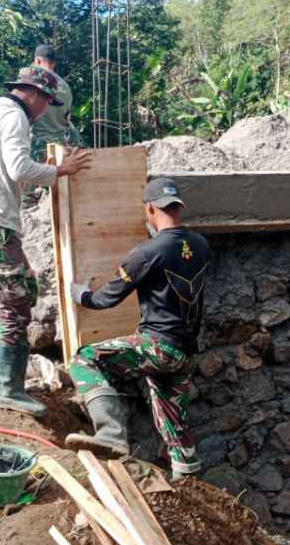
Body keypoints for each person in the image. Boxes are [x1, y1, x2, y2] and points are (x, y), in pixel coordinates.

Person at [0, 66, 92, 415]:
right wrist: (61, 170)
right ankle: (10, 389)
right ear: (33, 94)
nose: (45, 109)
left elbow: (12, 166)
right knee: (17, 301)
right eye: (46, 101)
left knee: (21, 290)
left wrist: (44, 166)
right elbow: (19, 169)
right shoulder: (14, 118)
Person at [65, 178, 212, 478]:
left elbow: (107, 298)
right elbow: (176, 255)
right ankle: (187, 476)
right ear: (178, 207)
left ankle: (110, 436)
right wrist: (155, 241)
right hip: (186, 353)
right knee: (171, 414)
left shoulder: (146, 253)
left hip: (157, 347)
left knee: (84, 360)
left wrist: (81, 294)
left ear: (149, 208)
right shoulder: (201, 245)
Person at [28, 44, 81, 160]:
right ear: (54, 63)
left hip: (38, 148)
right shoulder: (66, 87)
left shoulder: (33, 82)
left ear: (37, 60)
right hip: (60, 149)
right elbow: (67, 119)